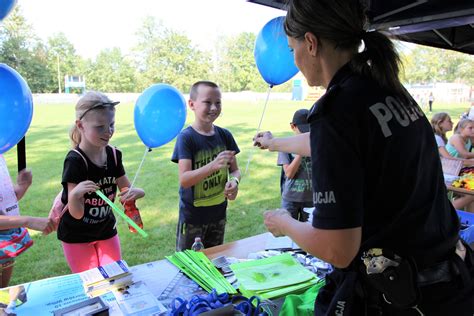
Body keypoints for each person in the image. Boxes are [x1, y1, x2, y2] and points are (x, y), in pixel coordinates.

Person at [253, 0, 473, 314]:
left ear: (311, 43)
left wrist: (284, 222)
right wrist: (277, 144)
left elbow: (337, 249)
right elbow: (348, 144)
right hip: (448, 283)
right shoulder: (386, 89)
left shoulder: (336, 111)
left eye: (292, 49)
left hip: (399, 297)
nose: (295, 60)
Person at [58, 91, 145, 273]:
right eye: (100, 127)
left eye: (111, 125)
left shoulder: (114, 154)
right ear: (80, 125)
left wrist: (136, 192)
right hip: (77, 235)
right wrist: (75, 195)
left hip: (106, 230)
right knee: (91, 284)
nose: (109, 132)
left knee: (116, 278)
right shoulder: (75, 161)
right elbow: (76, 213)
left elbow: (125, 189)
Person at [171, 81, 240, 251]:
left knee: (215, 262)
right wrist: (213, 165)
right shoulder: (186, 138)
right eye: (207, 102)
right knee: (190, 267)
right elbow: (185, 180)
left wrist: (234, 183)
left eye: (218, 102)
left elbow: (235, 170)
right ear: (192, 104)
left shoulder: (225, 135)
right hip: (193, 219)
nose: (214, 108)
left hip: (218, 215)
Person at [0, 155, 54, 287]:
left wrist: (22, 187)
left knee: (2, 291)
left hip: (6, 240)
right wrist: (28, 221)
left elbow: (6, 201)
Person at [431, 113, 474, 212]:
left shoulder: (441, 138)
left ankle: (468, 220)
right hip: (445, 175)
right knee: (471, 193)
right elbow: (448, 159)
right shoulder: (438, 138)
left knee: (470, 193)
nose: (452, 123)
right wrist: (469, 162)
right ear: (440, 123)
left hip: (449, 174)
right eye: (449, 121)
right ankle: (443, 212)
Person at [278, 109, 313, 222]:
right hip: (290, 198)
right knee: (288, 233)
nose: (305, 134)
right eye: (303, 130)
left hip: (311, 198)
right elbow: (289, 173)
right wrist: (301, 151)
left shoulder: (315, 142)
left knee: (309, 233)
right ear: (293, 126)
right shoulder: (286, 145)